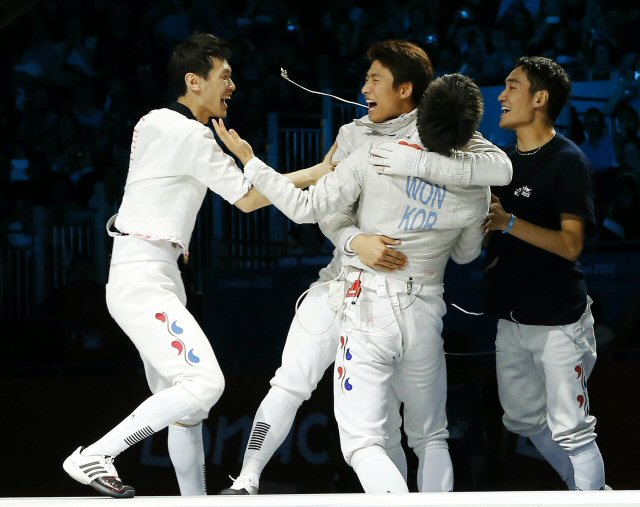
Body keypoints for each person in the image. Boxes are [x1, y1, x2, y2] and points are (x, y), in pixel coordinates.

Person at [219, 40, 512, 495]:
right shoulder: (355, 135)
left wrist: (413, 161)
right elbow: (335, 214)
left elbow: (499, 167)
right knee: (295, 382)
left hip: (373, 300)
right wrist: (355, 241)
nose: (364, 88)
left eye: (375, 79)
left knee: (371, 438)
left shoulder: (438, 134)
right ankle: (247, 478)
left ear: (408, 89)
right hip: (353, 280)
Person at [61, 32, 333, 499]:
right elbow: (248, 200)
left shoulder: (155, 123)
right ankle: (94, 455)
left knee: (186, 408)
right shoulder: (186, 132)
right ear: (194, 81)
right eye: (224, 77)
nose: (233, 86)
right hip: (144, 276)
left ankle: (196, 502)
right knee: (204, 383)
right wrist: (318, 171)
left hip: (151, 271)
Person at [483, 56, 606, 491]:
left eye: (511, 86)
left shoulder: (568, 160)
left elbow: (571, 244)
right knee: (523, 420)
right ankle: (587, 492)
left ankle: (592, 498)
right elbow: (489, 241)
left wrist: (509, 223)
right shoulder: (497, 164)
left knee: (572, 428)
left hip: (560, 321)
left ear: (540, 98)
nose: (500, 95)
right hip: (511, 318)